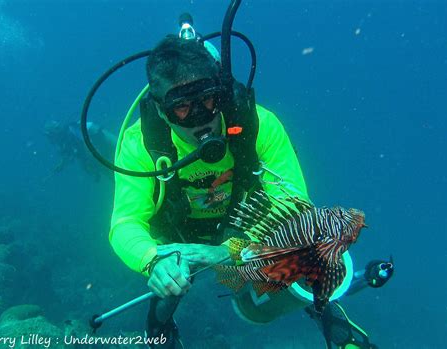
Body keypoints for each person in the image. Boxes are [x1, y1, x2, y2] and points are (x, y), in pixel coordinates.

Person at [109, 35, 312, 348]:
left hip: (245, 225)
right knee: (171, 282)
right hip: (177, 236)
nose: (199, 118)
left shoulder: (260, 125)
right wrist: (153, 260)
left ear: (221, 92)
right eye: (181, 108)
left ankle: (333, 321)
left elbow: (296, 207)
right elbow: (125, 223)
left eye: (207, 99)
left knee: (314, 256)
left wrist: (229, 251)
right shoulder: (140, 146)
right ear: (162, 111)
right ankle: (160, 328)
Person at [44, 120, 116, 181]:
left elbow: (86, 142)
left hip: (104, 146)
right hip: (101, 151)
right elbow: (67, 156)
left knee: (116, 164)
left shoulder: (71, 130)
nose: (51, 139)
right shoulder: (65, 140)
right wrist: (60, 166)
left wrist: (91, 165)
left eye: (51, 136)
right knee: (114, 172)